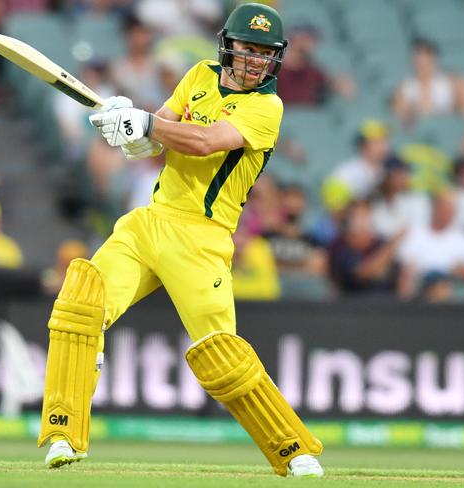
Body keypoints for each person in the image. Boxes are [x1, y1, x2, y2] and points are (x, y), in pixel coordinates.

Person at [37, 3, 324, 478]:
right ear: (228, 46)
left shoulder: (266, 108)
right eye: (247, 49)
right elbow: (160, 137)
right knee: (81, 302)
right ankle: (63, 431)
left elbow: (205, 141)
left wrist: (148, 124)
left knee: (220, 353)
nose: (254, 61)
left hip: (202, 239)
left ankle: (294, 450)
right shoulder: (198, 74)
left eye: (264, 53)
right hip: (150, 220)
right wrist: (130, 132)